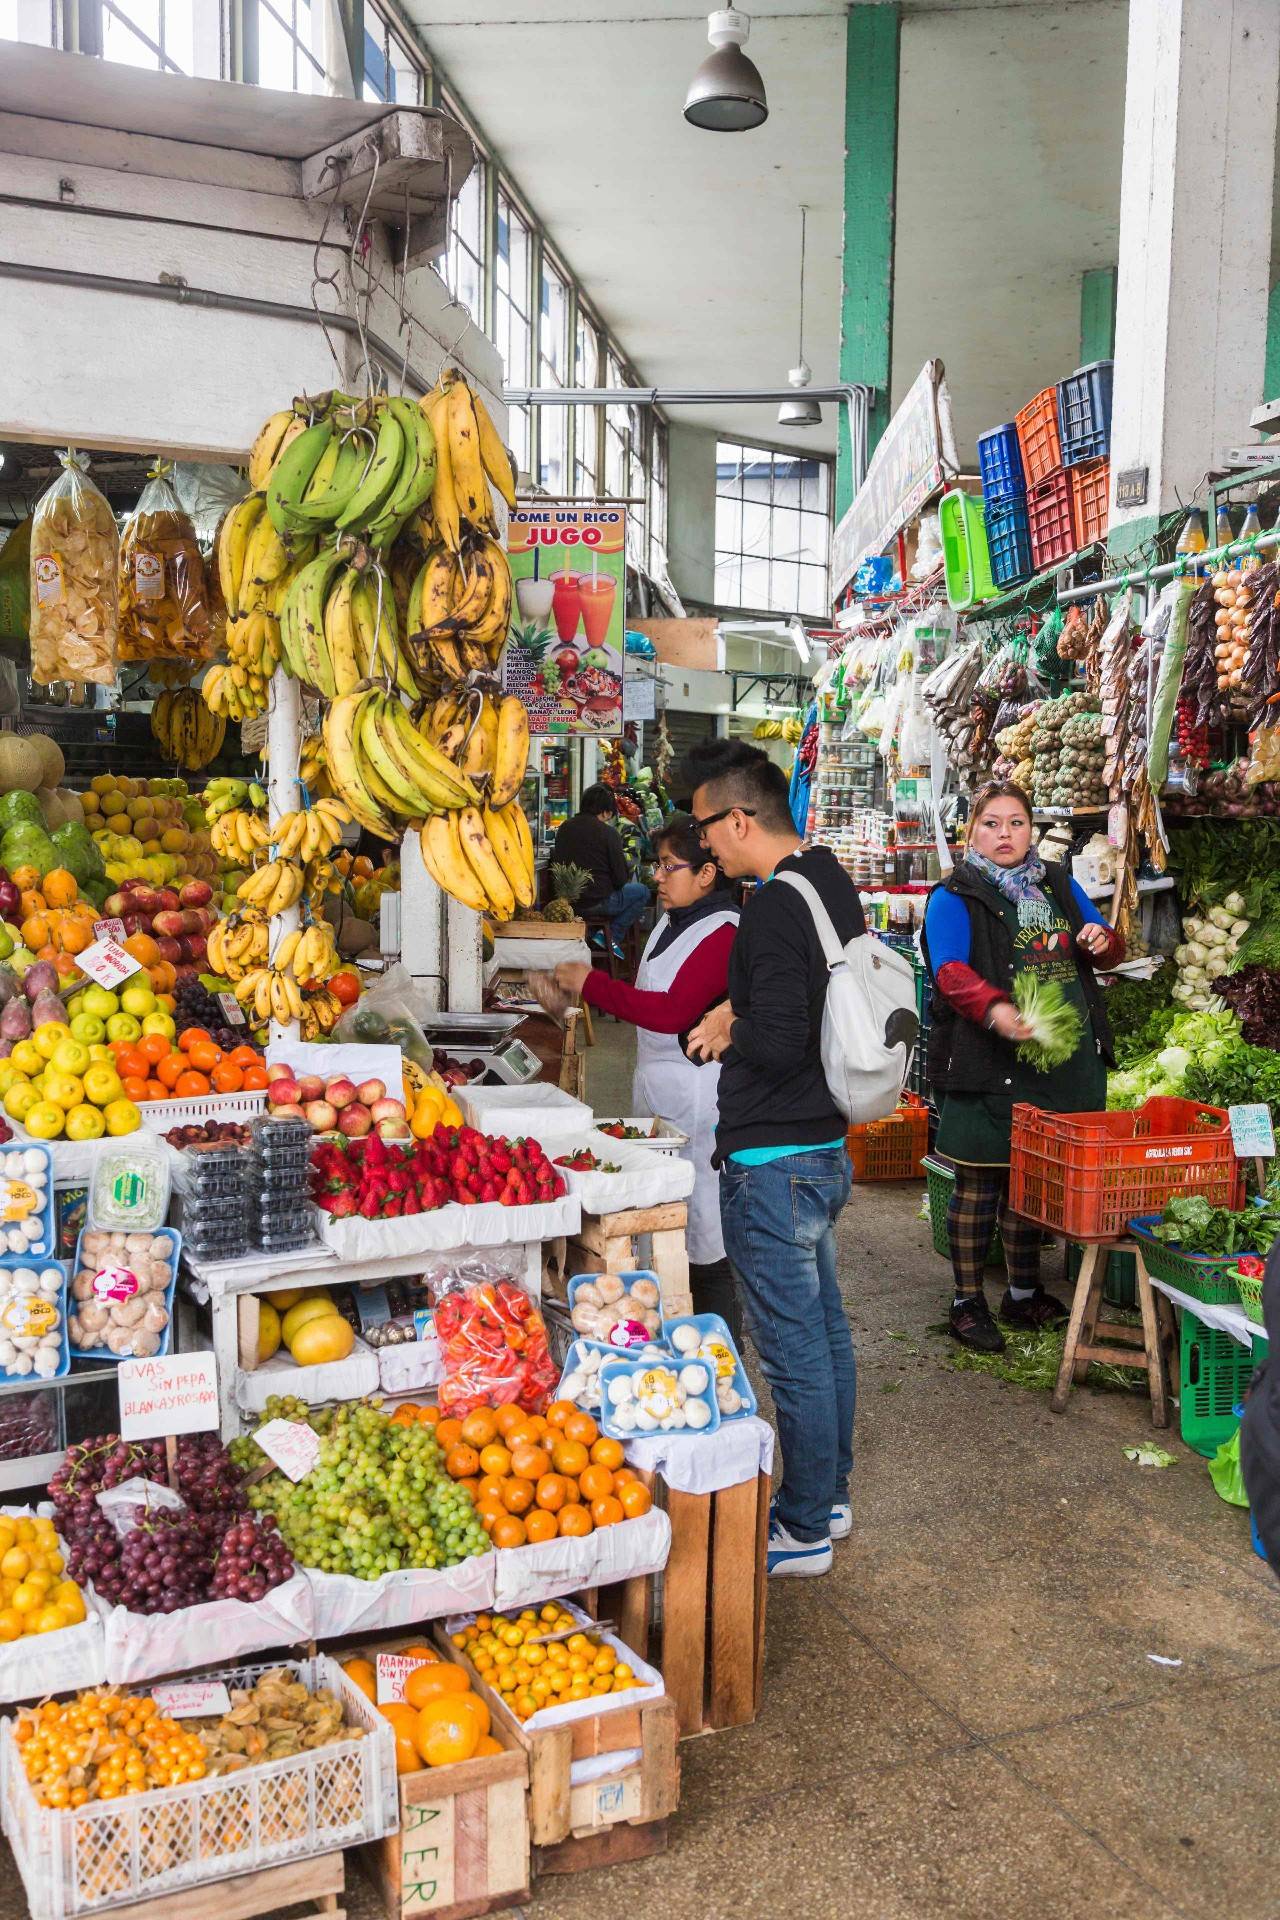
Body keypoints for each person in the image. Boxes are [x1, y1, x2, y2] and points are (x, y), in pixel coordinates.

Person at [682, 739, 862, 1580]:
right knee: (823, 1334)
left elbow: (785, 1037)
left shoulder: (775, 909)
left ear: (740, 817)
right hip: (819, 1146)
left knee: (793, 1350)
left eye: (706, 828)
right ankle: (828, 1495)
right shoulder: (825, 879)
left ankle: (802, 1527)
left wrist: (728, 1028)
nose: (703, 847)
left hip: (774, 1154)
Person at [921, 780, 1125, 1356]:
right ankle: (966, 1302)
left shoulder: (1058, 884)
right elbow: (950, 972)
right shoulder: (953, 896)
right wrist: (997, 1011)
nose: (1004, 834)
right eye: (991, 823)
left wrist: (1099, 938)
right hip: (989, 1061)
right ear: (973, 831)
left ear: (1031, 829)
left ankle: (1022, 1290)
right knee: (981, 1181)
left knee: (1030, 1183)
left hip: (1059, 1060)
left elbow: (1108, 946)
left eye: (1015, 822)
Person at [552, 814, 742, 1340]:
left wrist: (592, 985)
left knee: (705, 1228)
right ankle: (671, 1336)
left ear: (707, 874)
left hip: (699, 1098)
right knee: (664, 1216)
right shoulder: (668, 920)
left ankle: (722, 1346)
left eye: (668, 867)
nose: (656, 877)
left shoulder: (723, 931)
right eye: (657, 866)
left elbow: (671, 1012)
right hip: (660, 1088)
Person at [550, 783, 649, 946]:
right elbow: (620, 879)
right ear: (605, 811)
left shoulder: (564, 828)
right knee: (642, 892)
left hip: (566, 903)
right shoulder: (609, 833)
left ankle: (592, 934)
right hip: (599, 902)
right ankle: (610, 937)